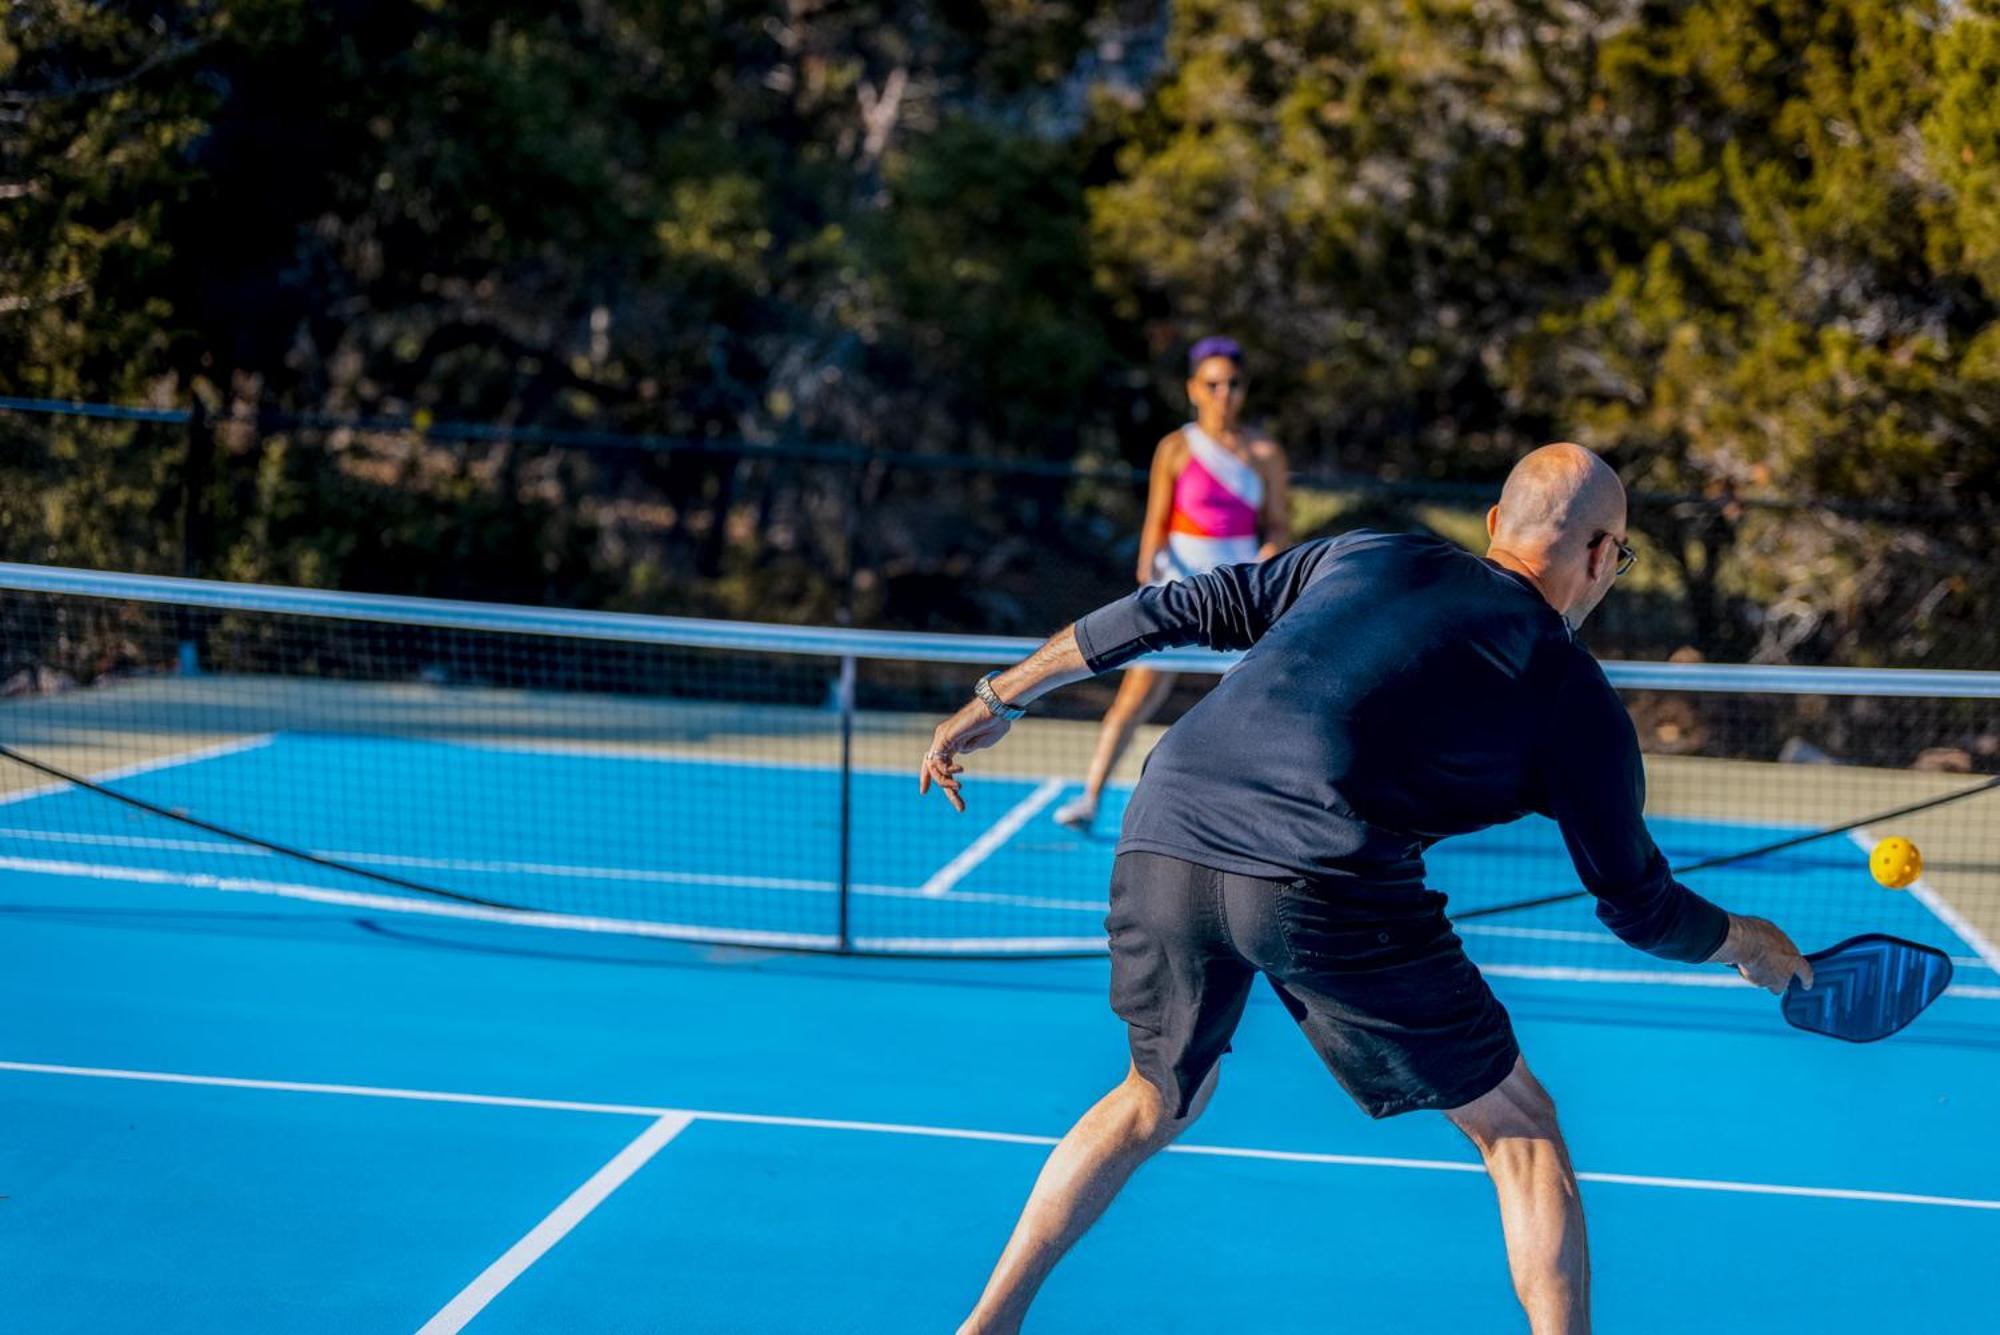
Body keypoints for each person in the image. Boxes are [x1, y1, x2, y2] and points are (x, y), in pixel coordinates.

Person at [918, 443, 1812, 1334]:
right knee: (1521, 1127)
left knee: (1153, 1097)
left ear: (1497, 525)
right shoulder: (1573, 696)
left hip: (1166, 826)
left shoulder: (1368, 552)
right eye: (1618, 554)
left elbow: (1173, 607)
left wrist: (999, 696)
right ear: (1597, 556)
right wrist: (1749, 941)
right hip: (1319, 875)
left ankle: (984, 1326)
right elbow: (1640, 906)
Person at [1049, 335, 1290, 834]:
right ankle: (1091, 797)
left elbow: (1279, 528)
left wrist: (1264, 566)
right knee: (1134, 699)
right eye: (1213, 384)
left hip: (1239, 600)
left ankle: (1249, 816)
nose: (1224, 393)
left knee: (1248, 706)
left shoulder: (1265, 452)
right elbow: (1155, 523)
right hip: (1179, 594)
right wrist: (1150, 578)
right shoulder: (1176, 448)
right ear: (1193, 389)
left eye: (1234, 384)